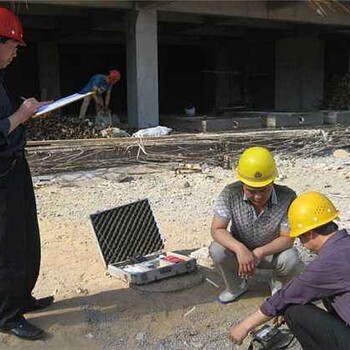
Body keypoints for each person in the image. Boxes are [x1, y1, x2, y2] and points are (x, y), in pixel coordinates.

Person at [229, 191, 350, 349]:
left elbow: (287, 295)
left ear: (309, 234)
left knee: (294, 311)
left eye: (300, 237)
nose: (302, 243)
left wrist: (244, 326)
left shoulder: (327, 263)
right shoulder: (344, 246)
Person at [0, 7, 53, 340]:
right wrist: (20, 114)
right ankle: (7, 314)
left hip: (15, 168)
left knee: (25, 238)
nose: (15, 53)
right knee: (7, 245)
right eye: (13, 46)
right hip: (2, 176)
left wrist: (23, 109)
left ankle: (21, 297)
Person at [209, 146, 303, 304]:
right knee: (217, 250)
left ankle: (277, 281)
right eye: (251, 191)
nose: (258, 197)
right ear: (242, 183)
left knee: (291, 258)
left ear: (273, 181)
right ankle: (236, 286)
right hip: (240, 252)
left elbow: (287, 238)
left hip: (271, 253)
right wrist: (240, 249)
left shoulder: (288, 197)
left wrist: (259, 252)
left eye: (264, 190)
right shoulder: (230, 193)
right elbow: (217, 229)